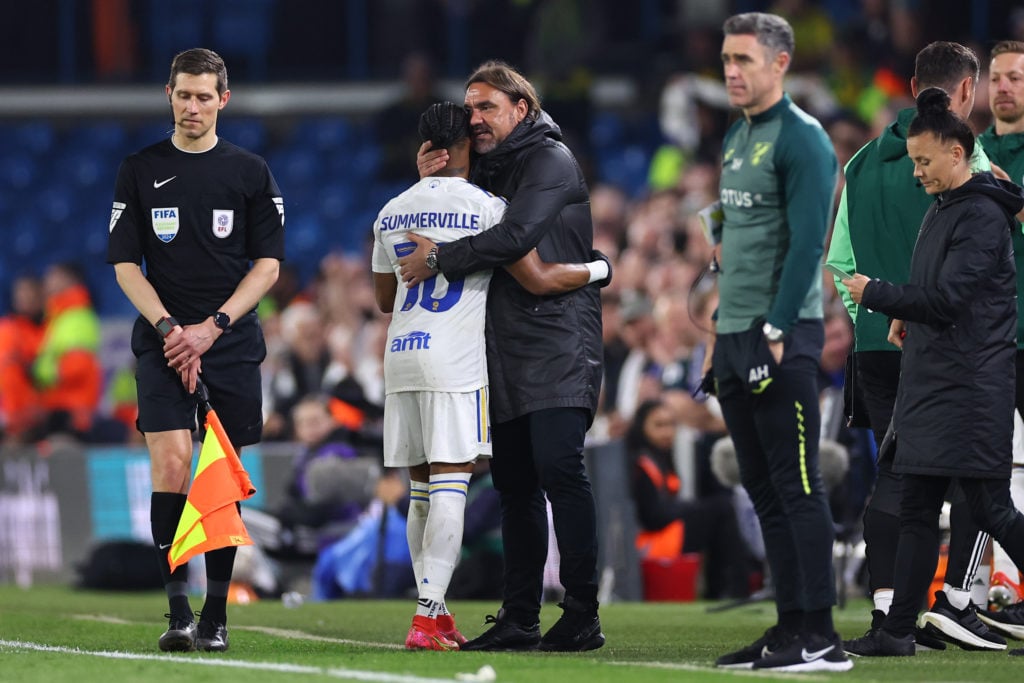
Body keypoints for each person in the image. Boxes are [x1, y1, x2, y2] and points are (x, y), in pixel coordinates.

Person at [374, 101, 610, 650]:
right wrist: (601, 267)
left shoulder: (390, 210)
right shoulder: (488, 207)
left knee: (420, 492)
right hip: (454, 359)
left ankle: (434, 608)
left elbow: (386, 298)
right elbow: (536, 279)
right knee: (453, 486)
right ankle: (428, 615)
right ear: (464, 147)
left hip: (401, 352)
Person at [827, 41, 1005, 651]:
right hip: (943, 360)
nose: (917, 171)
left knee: (934, 490)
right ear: (965, 91)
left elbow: (844, 262)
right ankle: (927, 614)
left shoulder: (862, 167)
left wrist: (873, 309)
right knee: (943, 492)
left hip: (923, 361)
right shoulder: (959, 186)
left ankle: (909, 613)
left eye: (923, 163)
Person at [106, 48, 284, 653]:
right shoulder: (139, 168)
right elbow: (126, 263)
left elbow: (268, 265)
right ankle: (178, 609)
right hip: (162, 343)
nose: (192, 106)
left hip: (229, 344)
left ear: (223, 100)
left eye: (204, 96)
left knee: (221, 480)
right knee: (173, 464)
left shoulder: (251, 171)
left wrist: (211, 327)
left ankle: (217, 615)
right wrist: (168, 329)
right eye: (183, 94)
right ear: (169, 94)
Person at [705, 13, 851, 672]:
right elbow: (736, 217)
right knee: (762, 491)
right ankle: (788, 626)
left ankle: (820, 635)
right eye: (726, 60)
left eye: (744, 59)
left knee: (797, 487)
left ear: (781, 63)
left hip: (779, 337)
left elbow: (806, 246)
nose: (732, 71)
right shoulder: (739, 136)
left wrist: (773, 331)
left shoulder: (805, 140)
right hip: (733, 335)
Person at [971, 39, 1024, 643]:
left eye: (1015, 77)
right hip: (985, 335)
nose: (1004, 87)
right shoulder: (972, 151)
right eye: (998, 77)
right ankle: (984, 592)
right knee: (988, 467)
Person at [627, 398, 753, 600]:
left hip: (668, 533)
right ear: (642, 427)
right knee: (721, 508)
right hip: (653, 543)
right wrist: (688, 508)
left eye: (670, 425)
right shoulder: (640, 463)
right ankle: (733, 590)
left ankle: (728, 588)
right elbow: (652, 516)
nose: (667, 432)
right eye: (659, 425)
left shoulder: (659, 457)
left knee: (721, 508)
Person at [0, 273, 44, 442]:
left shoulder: (48, 331)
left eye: (28, 292)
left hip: (37, 418)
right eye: (20, 292)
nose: (23, 297)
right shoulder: (7, 329)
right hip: (10, 417)